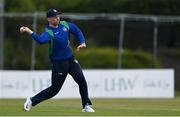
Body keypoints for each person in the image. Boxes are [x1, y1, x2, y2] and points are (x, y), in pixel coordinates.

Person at [20, 9, 95, 112]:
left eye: (58, 16)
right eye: (55, 17)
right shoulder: (49, 32)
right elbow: (41, 41)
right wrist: (29, 31)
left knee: (81, 80)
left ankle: (86, 105)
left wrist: (82, 42)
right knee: (54, 90)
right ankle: (32, 100)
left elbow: (77, 30)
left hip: (70, 59)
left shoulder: (65, 24)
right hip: (59, 64)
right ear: (49, 19)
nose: (58, 18)